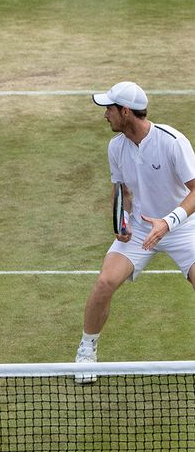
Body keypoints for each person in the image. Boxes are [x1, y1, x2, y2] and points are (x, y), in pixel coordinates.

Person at [75, 81, 195, 380]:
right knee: (104, 282)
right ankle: (87, 351)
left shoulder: (171, 141)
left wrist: (168, 222)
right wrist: (123, 221)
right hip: (141, 229)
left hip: (183, 226)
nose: (105, 115)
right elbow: (123, 191)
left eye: (109, 109)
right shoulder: (116, 146)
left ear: (125, 112)